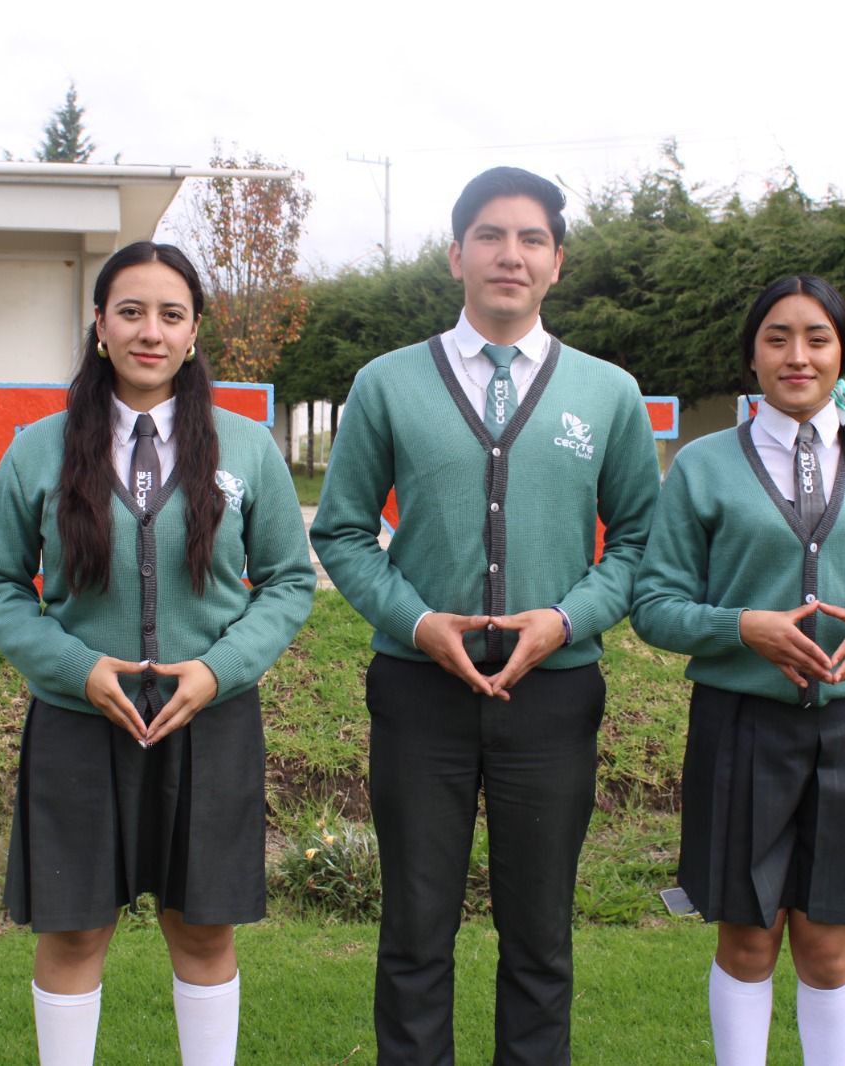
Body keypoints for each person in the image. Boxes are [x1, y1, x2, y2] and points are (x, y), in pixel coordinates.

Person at [310, 166, 659, 1065]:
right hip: (417, 694)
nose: (512, 254)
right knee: (415, 932)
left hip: (554, 697)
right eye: (492, 236)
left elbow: (638, 543)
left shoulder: (608, 393)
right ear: (455, 254)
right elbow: (341, 531)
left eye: (532, 238)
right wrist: (418, 622)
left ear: (557, 262)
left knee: (540, 938)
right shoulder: (388, 384)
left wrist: (565, 621)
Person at [0, 241, 315, 1066]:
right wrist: (76, 669)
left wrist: (218, 670)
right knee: (74, 930)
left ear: (194, 333)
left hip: (210, 721)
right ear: (100, 325)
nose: (149, 331)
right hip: (78, 723)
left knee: (203, 929)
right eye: (130, 311)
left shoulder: (246, 448)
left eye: (170, 314)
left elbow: (289, 581)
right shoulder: (39, 449)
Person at [629, 275, 845, 1065]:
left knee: (829, 949)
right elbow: (654, 605)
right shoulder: (703, 467)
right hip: (740, 731)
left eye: (817, 338)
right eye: (777, 338)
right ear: (752, 356)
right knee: (747, 942)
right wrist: (739, 627)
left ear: (843, 354)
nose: (797, 356)